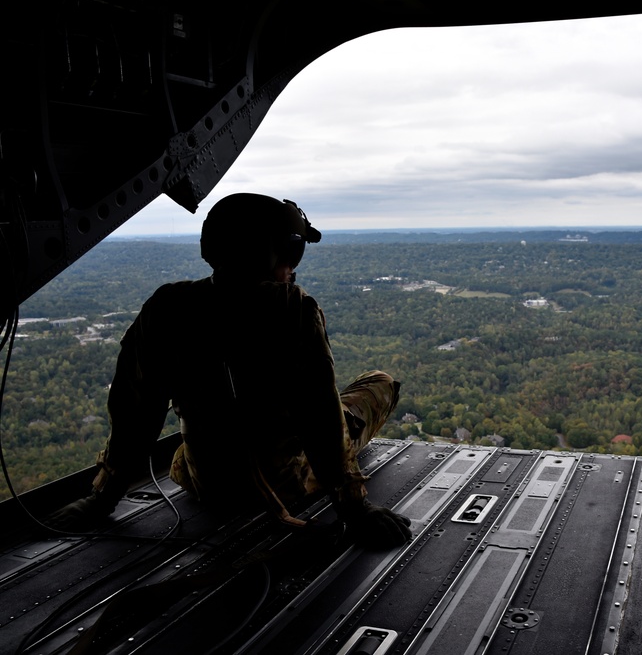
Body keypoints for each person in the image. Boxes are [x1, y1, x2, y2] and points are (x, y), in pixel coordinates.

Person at [49, 193, 412, 548]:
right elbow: (320, 418)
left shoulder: (167, 307)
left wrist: (101, 498)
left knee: (179, 456)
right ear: (273, 251)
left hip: (206, 483)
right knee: (377, 383)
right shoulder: (294, 308)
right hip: (286, 487)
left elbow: (135, 414)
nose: (294, 267)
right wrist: (356, 506)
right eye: (293, 251)